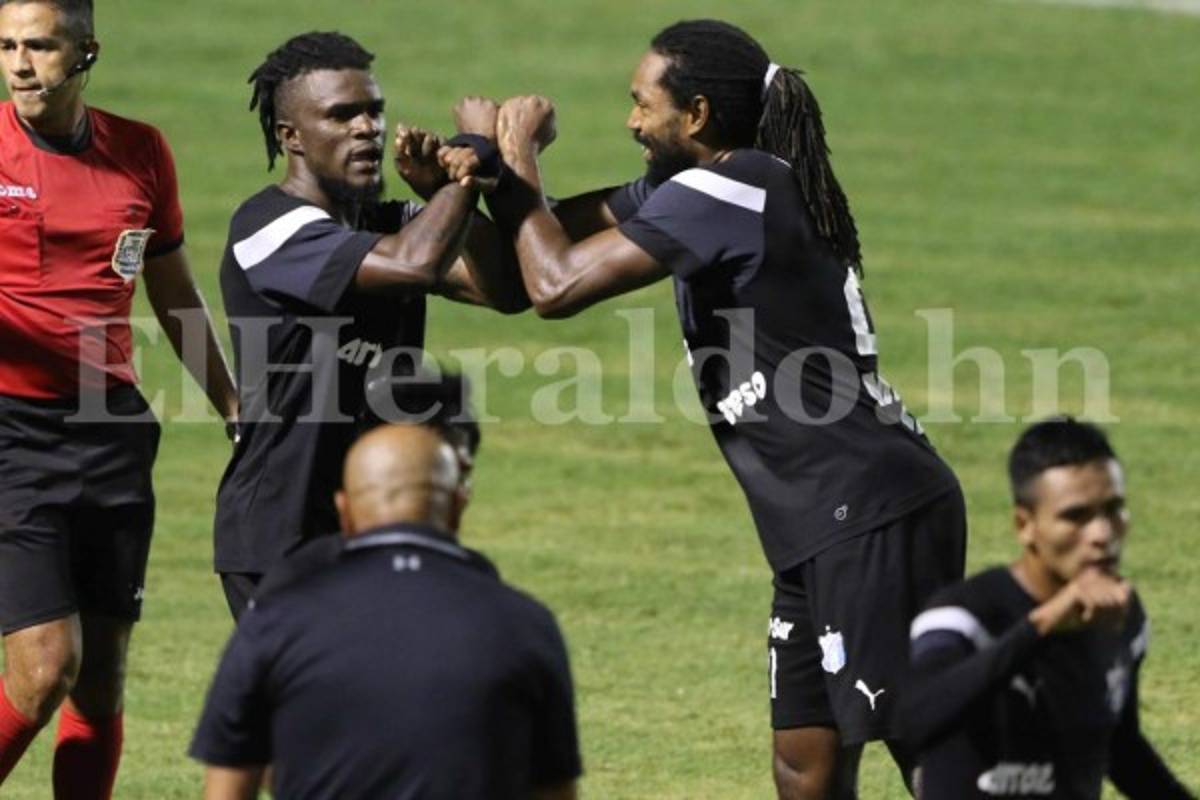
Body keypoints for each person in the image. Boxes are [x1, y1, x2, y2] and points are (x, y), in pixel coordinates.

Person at [446, 18, 966, 799]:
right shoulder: (697, 189)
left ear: (694, 116)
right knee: (804, 764)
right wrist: (464, 182)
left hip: (866, 509)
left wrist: (518, 151)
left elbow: (556, 287)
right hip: (815, 520)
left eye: (641, 104)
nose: (630, 122)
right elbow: (535, 265)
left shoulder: (739, 185)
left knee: (923, 748)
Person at [0, 0, 237, 794]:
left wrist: (232, 404)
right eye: (7, 46)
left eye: (40, 45)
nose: (20, 64)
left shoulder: (141, 152)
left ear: (86, 51)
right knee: (44, 669)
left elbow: (172, 291)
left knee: (100, 680)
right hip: (10, 433)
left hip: (111, 431)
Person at [213, 31, 527, 619]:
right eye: (342, 115)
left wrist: (440, 189)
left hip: (376, 522)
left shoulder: (389, 221)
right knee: (320, 710)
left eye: (373, 112)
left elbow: (507, 290)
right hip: (284, 534)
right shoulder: (269, 229)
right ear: (291, 137)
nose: (367, 129)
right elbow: (416, 264)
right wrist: (472, 158)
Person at [190, 378, 582, 800]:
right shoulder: (523, 625)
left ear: (344, 510)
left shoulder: (274, 619)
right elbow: (555, 789)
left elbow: (227, 787)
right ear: (457, 503)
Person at [903, 419, 1194, 799]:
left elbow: (1121, 749)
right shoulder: (965, 617)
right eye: (1075, 516)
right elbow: (916, 719)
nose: (1101, 535)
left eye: (1114, 510)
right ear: (1025, 525)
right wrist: (1042, 626)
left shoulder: (1122, 618)